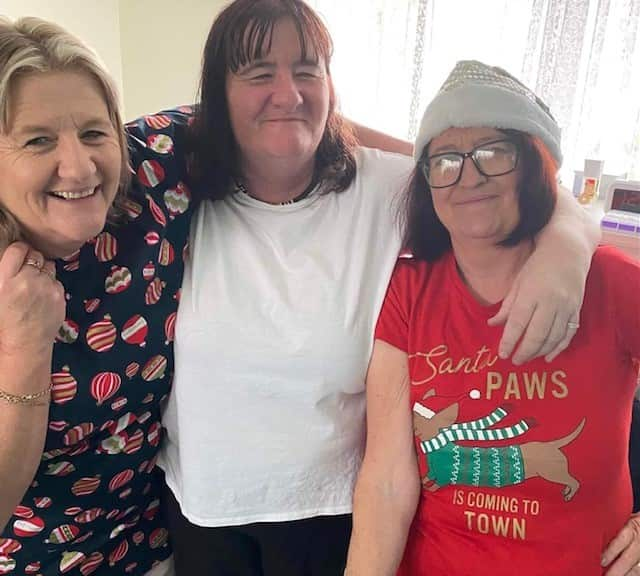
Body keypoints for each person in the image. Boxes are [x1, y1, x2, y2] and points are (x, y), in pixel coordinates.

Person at [158, 2, 606, 574]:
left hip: (332, 514)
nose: (287, 92)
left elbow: (502, 172)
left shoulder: (384, 186)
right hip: (201, 511)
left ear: (331, 84)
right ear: (217, 93)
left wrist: (565, 246)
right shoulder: (176, 188)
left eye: (307, 70)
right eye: (258, 73)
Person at [345, 60, 640, 576]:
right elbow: (387, 480)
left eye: (492, 153)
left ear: (532, 162)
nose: (468, 176)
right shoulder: (407, 290)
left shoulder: (612, 283)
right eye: (446, 159)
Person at [0, 17, 193, 575]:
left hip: (162, 545)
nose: (80, 166)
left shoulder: (151, 169)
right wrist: (24, 350)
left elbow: (280, 114)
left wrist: (435, 163)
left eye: (92, 132)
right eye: (38, 140)